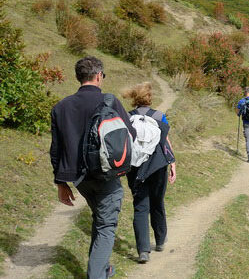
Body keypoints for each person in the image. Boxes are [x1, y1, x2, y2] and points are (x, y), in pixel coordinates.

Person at [50, 56, 135, 279]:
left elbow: (56, 149)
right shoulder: (109, 101)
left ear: (79, 77)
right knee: (107, 226)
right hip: (107, 175)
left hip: (80, 179)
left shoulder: (61, 107)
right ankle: (97, 274)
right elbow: (130, 135)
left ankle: (102, 269)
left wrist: (61, 183)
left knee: (100, 220)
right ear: (98, 76)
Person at [122, 82, 176, 264]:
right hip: (158, 166)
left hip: (135, 168)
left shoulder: (127, 118)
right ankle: (160, 240)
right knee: (157, 202)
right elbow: (165, 141)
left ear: (134, 98)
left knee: (140, 206)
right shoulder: (159, 116)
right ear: (149, 98)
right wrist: (172, 163)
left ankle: (143, 251)